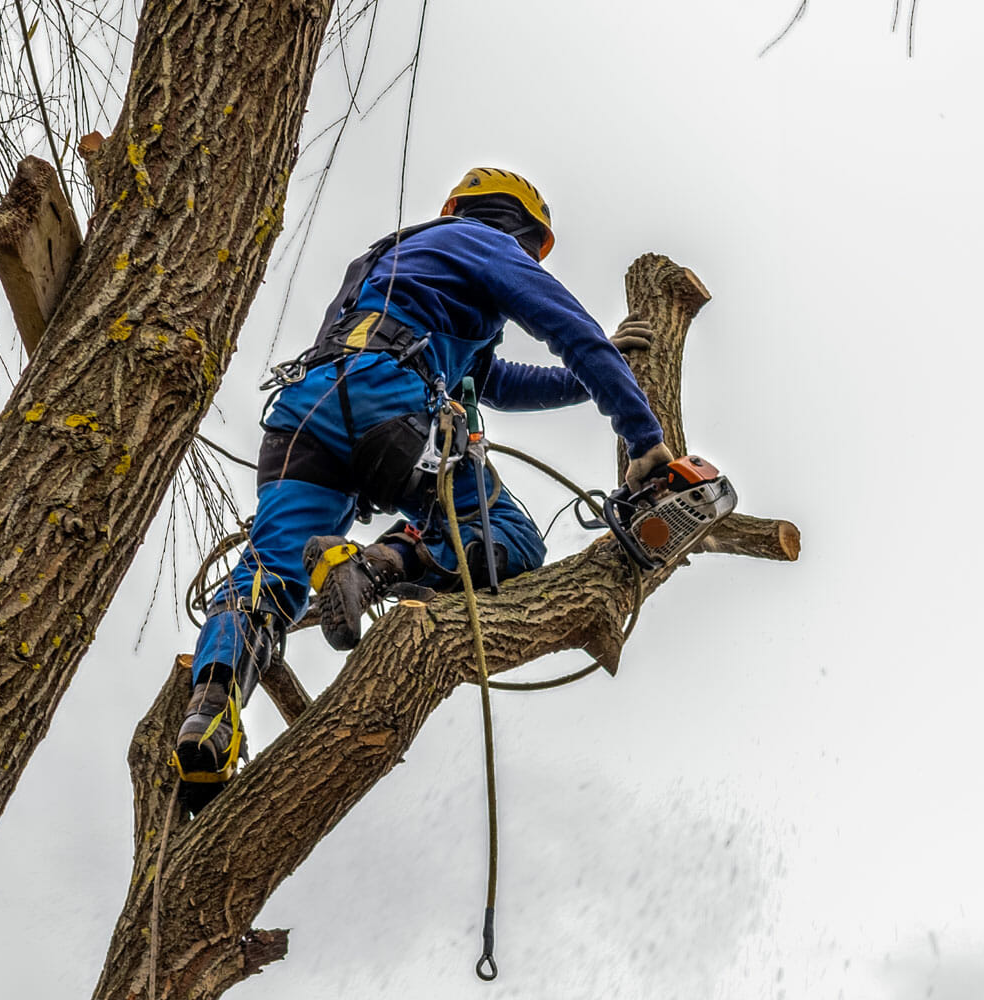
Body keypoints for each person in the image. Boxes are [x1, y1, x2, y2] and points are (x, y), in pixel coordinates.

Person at [173, 167, 672, 796]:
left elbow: (498, 383)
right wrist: (644, 438)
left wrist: (598, 369)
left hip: (303, 416)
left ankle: (209, 714)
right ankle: (372, 564)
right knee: (512, 539)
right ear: (521, 231)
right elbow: (570, 334)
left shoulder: (396, 258)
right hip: (389, 406)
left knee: (267, 580)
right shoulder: (487, 245)